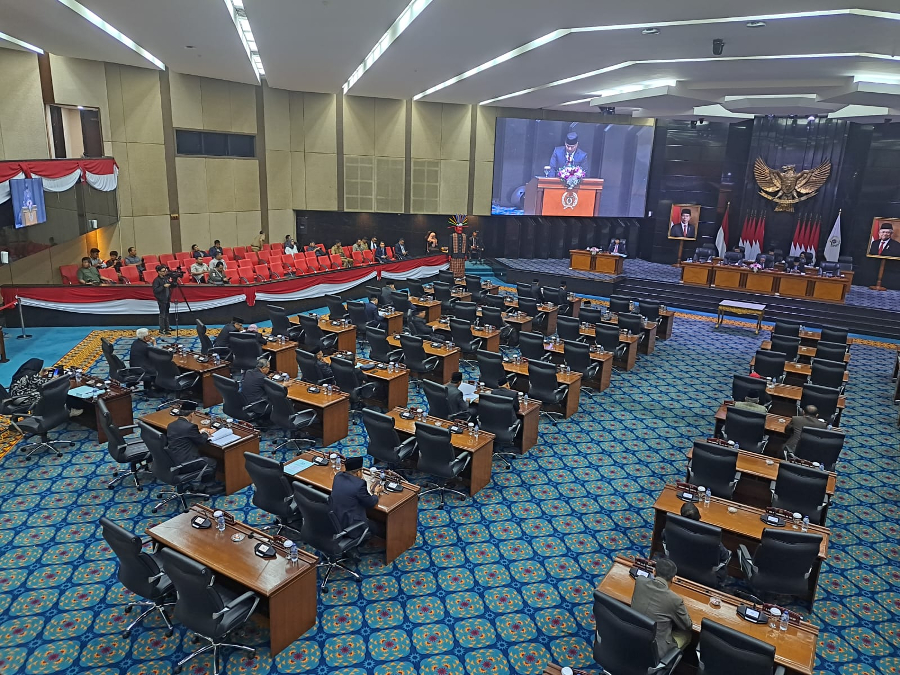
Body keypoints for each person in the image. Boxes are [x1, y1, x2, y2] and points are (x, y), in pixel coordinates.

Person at [631, 557, 692, 654]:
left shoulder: (639, 581)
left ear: (654, 572)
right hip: (655, 651)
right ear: (673, 578)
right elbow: (687, 625)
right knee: (687, 635)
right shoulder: (675, 600)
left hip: (631, 638)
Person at [167, 409, 223, 494]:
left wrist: (197, 433)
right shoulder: (190, 427)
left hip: (172, 460)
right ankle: (207, 487)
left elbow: (186, 435)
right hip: (185, 464)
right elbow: (201, 441)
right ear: (191, 414)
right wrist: (206, 432)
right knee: (212, 462)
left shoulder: (171, 425)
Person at [329, 455, 385, 538]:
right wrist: (376, 493)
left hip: (335, 520)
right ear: (358, 472)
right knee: (378, 527)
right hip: (351, 526)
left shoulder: (338, 476)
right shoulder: (359, 484)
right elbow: (371, 503)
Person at [678, 502, 731, 582]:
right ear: (699, 517)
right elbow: (725, 556)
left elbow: (664, 539)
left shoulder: (672, 530)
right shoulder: (711, 538)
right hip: (706, 575)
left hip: (679, 568)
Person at [152, 265, 172, 334]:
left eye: (165, 271)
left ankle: (167, 328)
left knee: (167, 314)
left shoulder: (166, 278)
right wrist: (163, 286)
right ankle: (162, 329)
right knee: (162, 315)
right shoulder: (156, 280)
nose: (164, 272)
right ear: (158, 272)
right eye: (163, 271)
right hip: (161, 299)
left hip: (167, 298)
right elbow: (155, 290)